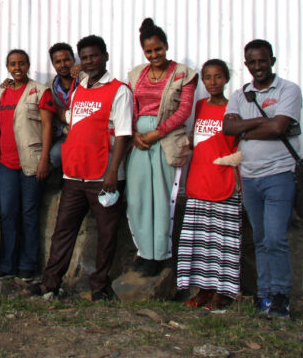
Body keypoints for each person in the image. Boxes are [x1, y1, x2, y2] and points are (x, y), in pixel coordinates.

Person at [30, 36, 132, 300]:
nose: (89, 61)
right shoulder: (79, 87)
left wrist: (112, 172)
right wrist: (48, 106)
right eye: (85, 57)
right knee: (63, 230)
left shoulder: (119, 90)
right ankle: (50, 283)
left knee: (107, 233)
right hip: (74, 173)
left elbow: (123, 134)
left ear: (105, 57)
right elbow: (73, 120)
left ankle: (99, 287)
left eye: (94, 56)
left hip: (104, 175)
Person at [223, 40, 302, 319]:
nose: (257, 67)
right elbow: (227, 128)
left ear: (272, 60)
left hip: (279, 174)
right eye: (252, 62)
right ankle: (264, 294)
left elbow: (279, 126)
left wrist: (244, 129)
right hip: (250, 177)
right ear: (246, 64)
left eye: (262, 61)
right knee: (259, 238)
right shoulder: (239, 94)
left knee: (276, 238)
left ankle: (281, 297)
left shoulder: (288, 90)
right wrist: (260, 124)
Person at [126, 18, 197, 277]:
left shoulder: (184, 74)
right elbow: (131, 106)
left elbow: (184, 110)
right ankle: (144, 252)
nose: (154, 55)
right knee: (138, 196)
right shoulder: (135, 74)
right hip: (140, 141)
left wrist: (157, 132)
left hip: (166, 140)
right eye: (149, 51)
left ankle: (159, 255)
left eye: (158, 49)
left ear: (166, 46)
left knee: (162, 199)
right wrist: (134, 134)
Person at [176, 59, 241, 310]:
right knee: (200, 242)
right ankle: (203, 289)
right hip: (199, 182)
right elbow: (195, 138)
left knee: (223, 243)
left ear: (226, 79)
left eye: (218, 77)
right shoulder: (200, 105)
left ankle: (222, 293)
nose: (213, 83)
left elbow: (239, 146)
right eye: (208, 78)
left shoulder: (234, 109)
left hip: (223, 182)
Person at [0, 49, 55, 281]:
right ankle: (6, 265)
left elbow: (48, 126)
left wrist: (45, 159)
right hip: (7, 163)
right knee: (7, 212)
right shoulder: (3, 92)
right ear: (7, 67)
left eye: (22, 63)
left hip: (31, 161)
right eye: (12, 64)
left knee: (29, 213)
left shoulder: (40, 91)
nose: (17, 68)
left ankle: (28, 264)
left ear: (28, 65)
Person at [47, 42, 77, 171]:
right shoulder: (48, 87)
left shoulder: (85, 80)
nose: (63, 65)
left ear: (74, 60)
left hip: (85, 132)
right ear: (53, 65)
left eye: (67, 60)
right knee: (55, 154)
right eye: (58, 62)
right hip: (63, 135)